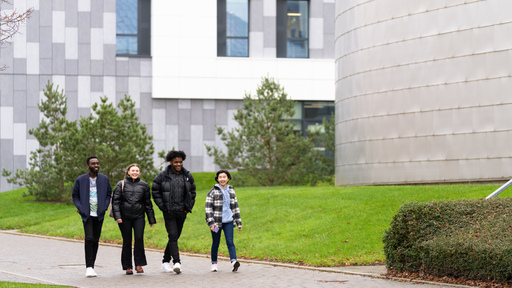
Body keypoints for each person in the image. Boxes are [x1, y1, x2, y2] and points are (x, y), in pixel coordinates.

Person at [152, 150, 196, 274]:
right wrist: (163, 207)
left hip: (182, 212)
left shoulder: (187, 175)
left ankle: (165, 261)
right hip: (169, 212)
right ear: (170, 162)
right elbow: (155, 192)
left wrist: (188, 207)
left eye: (180, 162)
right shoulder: (162, 176)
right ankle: (177, 262)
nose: (178, 164)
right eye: (176, 162)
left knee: (175, 237)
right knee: (173, 236)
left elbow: (192, 193)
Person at [112, 163, 156, 275]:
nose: (135, 172)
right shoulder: (120, 184)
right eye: (133, 170)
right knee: (127, 241)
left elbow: (147, 203)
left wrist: (151, 219)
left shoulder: (144, 186)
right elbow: (115, 202)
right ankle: (127, 267)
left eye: (137, 171)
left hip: (139, 217)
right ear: (128, 172)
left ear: (139, 172)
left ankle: (139, 264)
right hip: (124, 218)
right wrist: (118, 216)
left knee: (139, 238)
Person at [72, 156, 112, 277]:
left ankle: (92, 266)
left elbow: (108, 194)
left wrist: (104, 207)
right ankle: (89, 267)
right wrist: (81, 208)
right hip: (87, 214)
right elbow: (75, 196)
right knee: (89, 238)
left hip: (99, 214)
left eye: (97, 163)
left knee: (95, 240)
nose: (96, 165)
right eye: (93, 163)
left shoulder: (104, 179)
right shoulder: (81, 180)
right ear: (88, 166)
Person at [205, 169, 242, 272]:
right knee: (215, 243)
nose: (222, 179)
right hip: (216, 223)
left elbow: (235, 207)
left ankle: (234, 262)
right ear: (217, 179)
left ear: (228, 178)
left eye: (224, 177)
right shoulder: (212, 192)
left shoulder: (231, 190)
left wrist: (238, 222)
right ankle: (214, 264)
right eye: (220, 177)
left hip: (228, 222)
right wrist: (211, 223)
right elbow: (208, 208)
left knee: (230, 242)